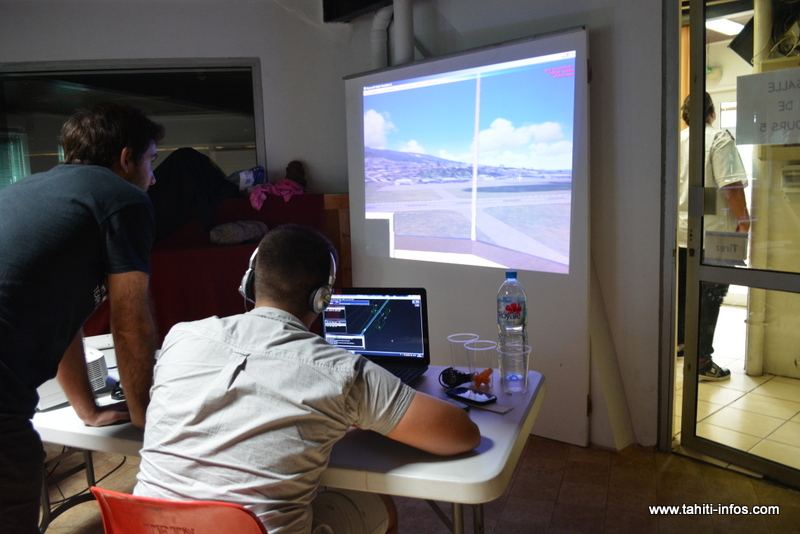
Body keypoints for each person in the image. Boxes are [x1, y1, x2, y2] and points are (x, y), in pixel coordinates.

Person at [134, 224, 481, 534]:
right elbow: (462, 434)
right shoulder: (341, 372)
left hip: (145, 527)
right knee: (377, 505)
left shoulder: (181, 337)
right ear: (323, 299)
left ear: (250, 281)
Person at [0, 102, 165, 533]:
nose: (153, 176)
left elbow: (64, 314)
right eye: (151, 160)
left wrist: (88, 410)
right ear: (126, 158)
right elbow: (130, 322)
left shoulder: (24, 190)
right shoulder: (123, 199)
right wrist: (147, 419)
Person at [677, 92, 751, 381]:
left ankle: (683, 345)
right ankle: (702, 360)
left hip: (682, 234)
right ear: (711, 113)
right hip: (717, 235)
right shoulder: (719, 139)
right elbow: (730, 186)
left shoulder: (676, 141)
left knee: (684, 294)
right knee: (711, 297)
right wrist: (744, 222)